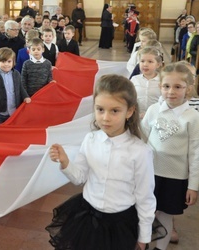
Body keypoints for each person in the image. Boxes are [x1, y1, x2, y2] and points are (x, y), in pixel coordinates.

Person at [47, 74, 156, 250]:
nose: (105, 118)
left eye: (114, 111)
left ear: (129, 111)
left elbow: (145, 198)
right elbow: (79, 178)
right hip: (88, 218)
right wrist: (66, 162)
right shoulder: (90, 139)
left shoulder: (140, 152)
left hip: (120, 223)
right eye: (100, 109)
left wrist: (143, 238)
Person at [142, 62, 199, 250]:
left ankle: (160, 247)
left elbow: (195, 152)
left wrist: (193, 185)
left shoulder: (192, 117)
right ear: (160, 87)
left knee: (165, 215)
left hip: (175, 177)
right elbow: (141, 139)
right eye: (166, 86)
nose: (171, 92)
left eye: (178, 87)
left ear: (188, 89)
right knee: (146, 212)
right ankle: (142, 243)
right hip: (150, 173)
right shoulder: (153, 111)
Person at [0, 47, 31, 124]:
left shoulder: (16, 74)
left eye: (9, 61)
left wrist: (26, 96)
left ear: (13, 62)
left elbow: (20, 88)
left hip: (15, 112)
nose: (6, 64)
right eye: (3, 62)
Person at [130, 47, 162, 118]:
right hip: (137, 116)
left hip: (156, 116)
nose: (145, 64)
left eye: (150, 62)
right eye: (142, 61)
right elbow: (129, 97)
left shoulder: (162, 81)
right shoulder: (135, 79)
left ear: (158, 64)